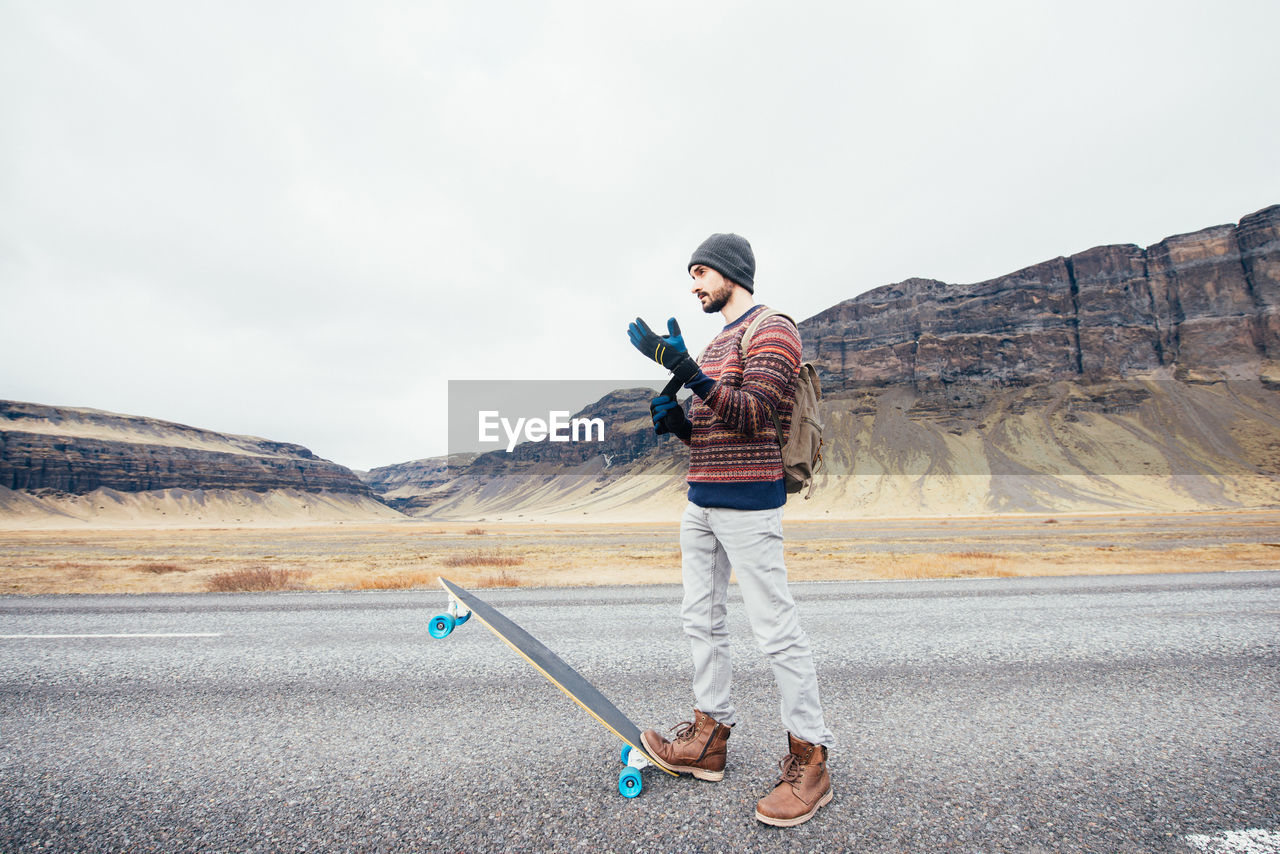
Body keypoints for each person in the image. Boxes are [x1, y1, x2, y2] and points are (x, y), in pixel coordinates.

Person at [625, 232, 834, 827]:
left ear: (729, 271)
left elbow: (757, 416)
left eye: (700, 273)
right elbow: (720, 429)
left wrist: (683, 368)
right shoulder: (719, 341)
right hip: (703, 500)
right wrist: (681, 428)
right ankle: (708, 737)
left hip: (749, 504)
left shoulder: (774, 328)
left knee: (776, 630)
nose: (693, 285)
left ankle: (810, 757)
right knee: (701, 618)